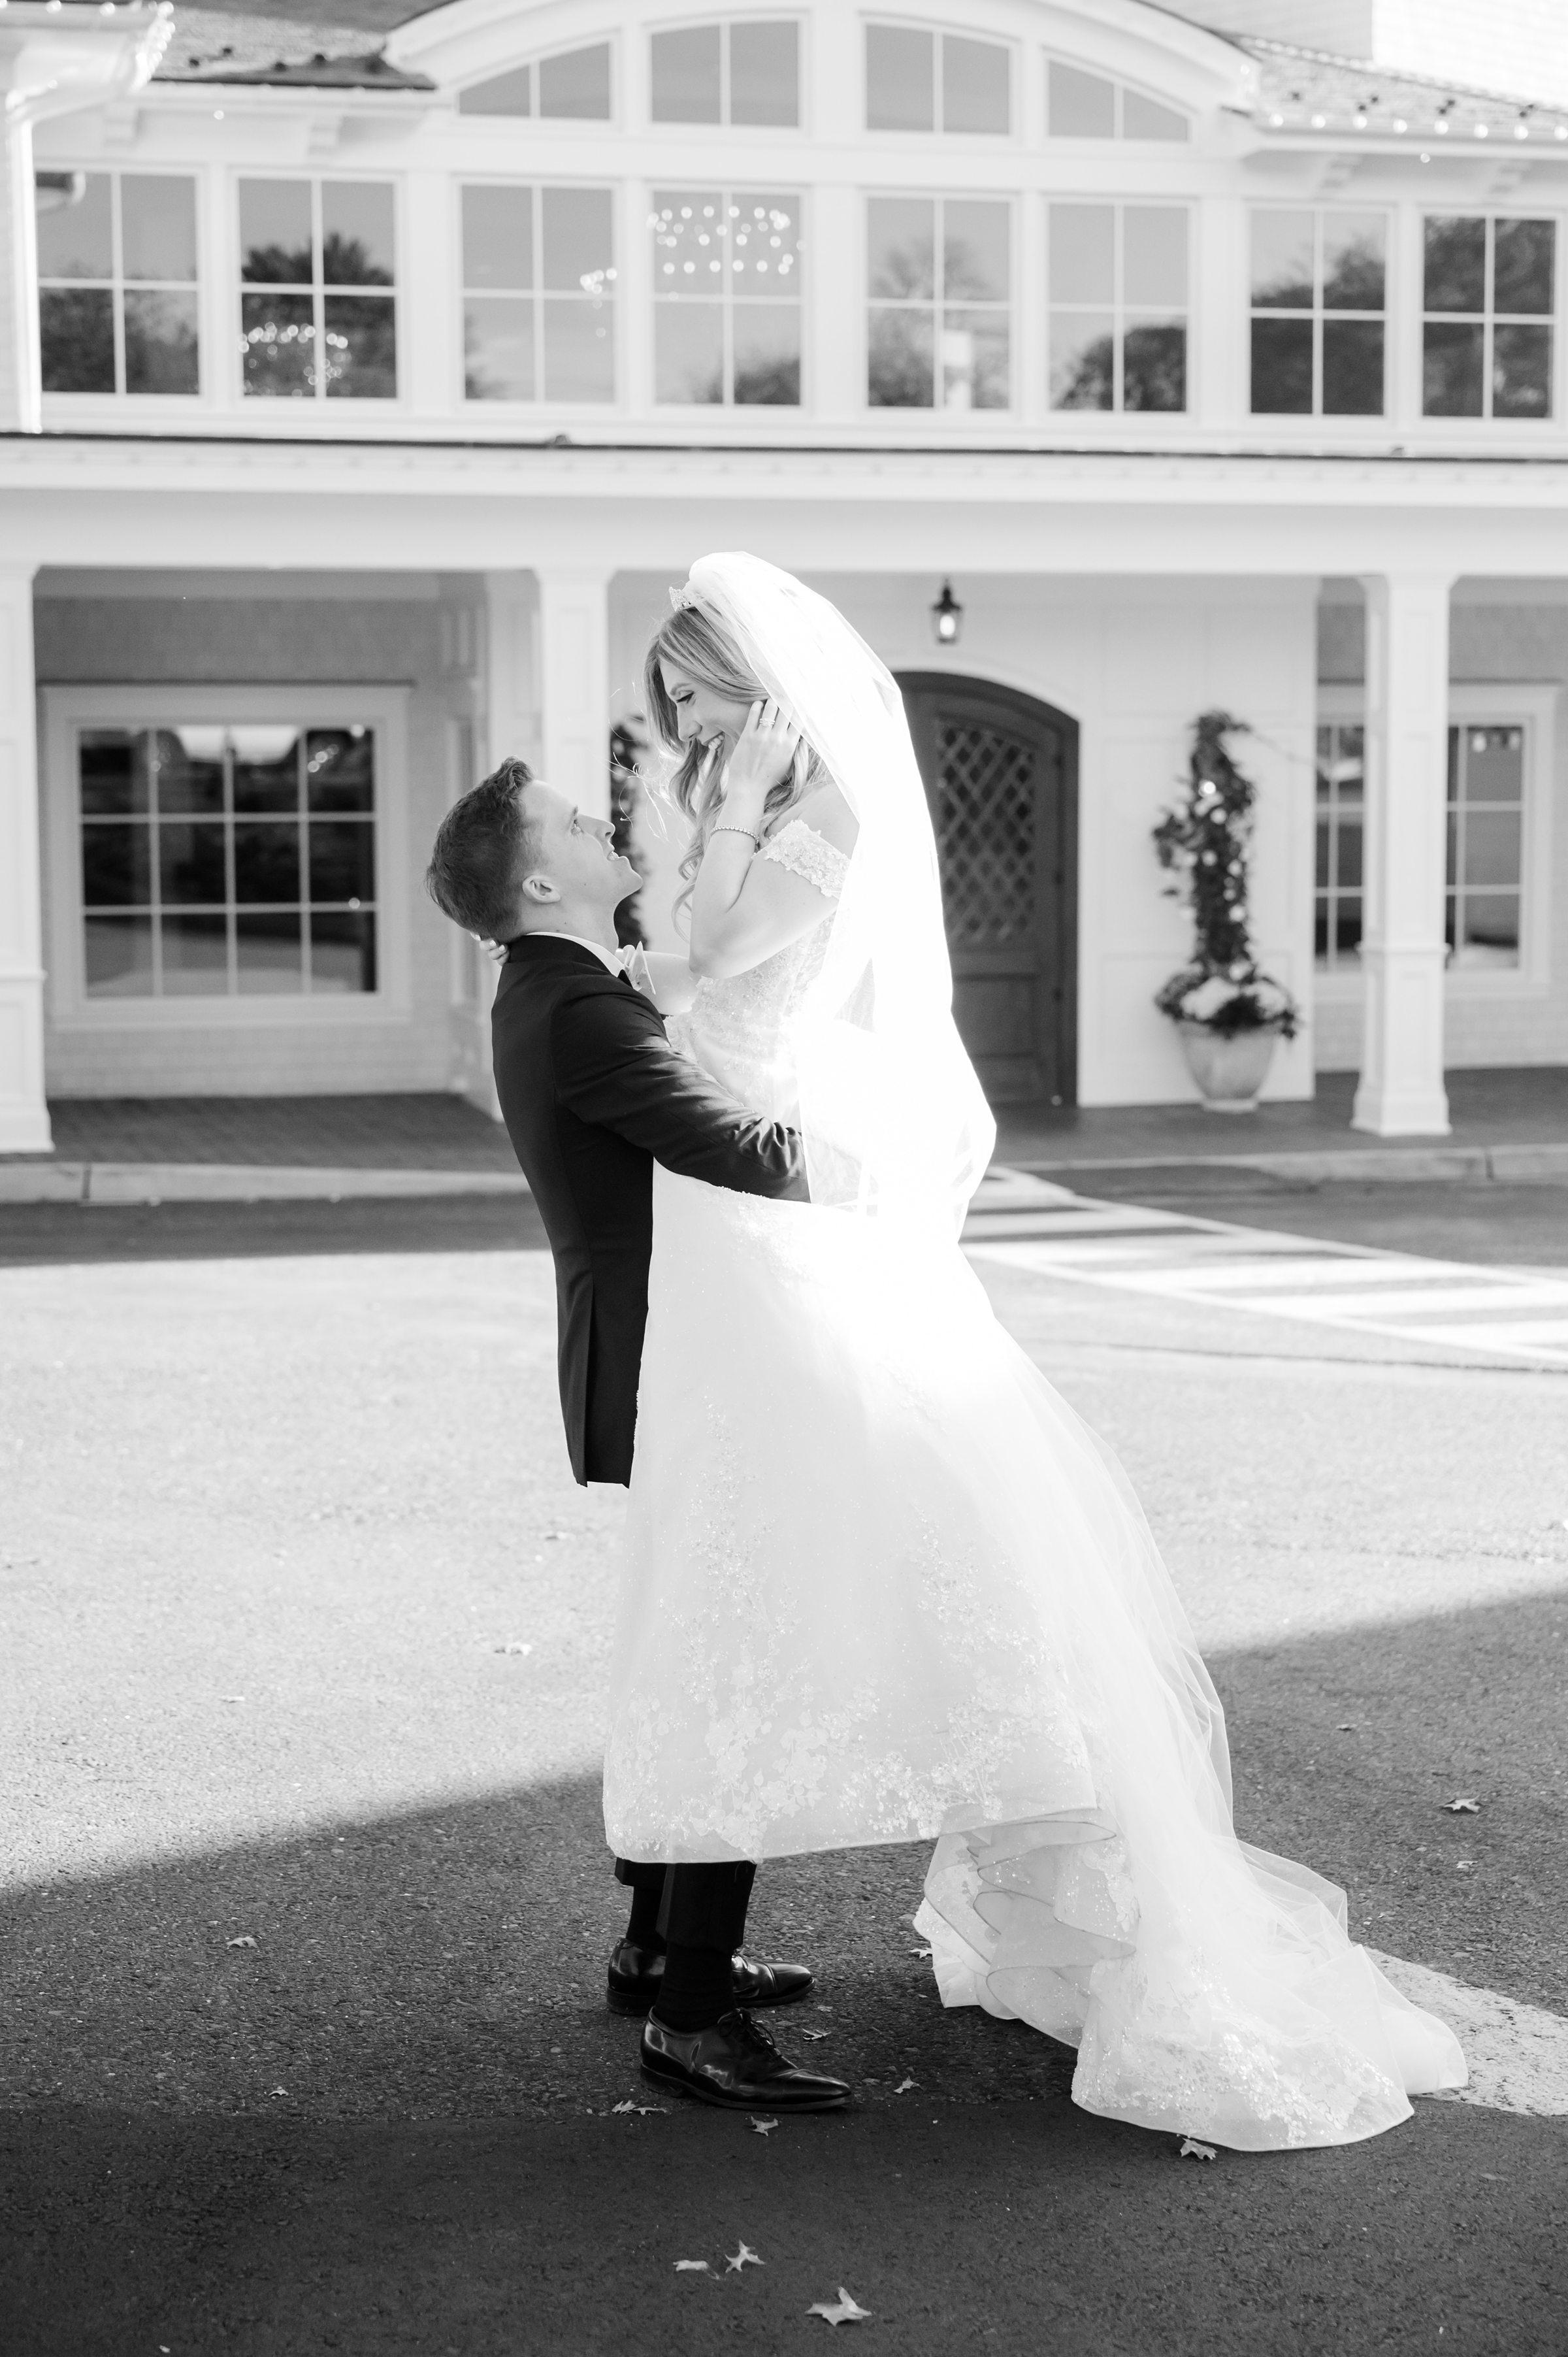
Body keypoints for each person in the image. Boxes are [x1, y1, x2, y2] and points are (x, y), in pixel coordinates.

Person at [602, 550, 1467, 2149]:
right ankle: (669, 1935)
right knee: (718, 1533)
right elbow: (679, 946)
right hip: (708, 1205)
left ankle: (700, 1953)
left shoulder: (824, 819)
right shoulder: (737, 791)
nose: (689, 724)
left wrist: (701, 849)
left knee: (805, 1529)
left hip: (765, 1200)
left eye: (704, 696)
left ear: (767, 687)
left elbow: (711, 963)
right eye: (678, 705)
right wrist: (684, 846)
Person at [425, 759, 851, 2114]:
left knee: (694, 1631)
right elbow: (757, 1154)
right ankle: (691, 2009)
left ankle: (654, 1945)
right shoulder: (578, 1013)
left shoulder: (565, 987)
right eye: (574, 820)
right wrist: (877, 1134)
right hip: (679, 1362)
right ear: (542, 880)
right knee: (722, 1652)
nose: (604, 819)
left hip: (661, 1349)